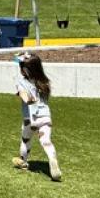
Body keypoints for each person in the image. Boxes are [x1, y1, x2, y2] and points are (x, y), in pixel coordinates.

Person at [11, 52, 62, 181]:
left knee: (26, 140)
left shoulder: (22, 82)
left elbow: (23, 94)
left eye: (21, 66)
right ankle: (52, 159)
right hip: (45, 117)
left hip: (30, 119)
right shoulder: (44, 82)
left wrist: (27, 99)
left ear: (26, 70)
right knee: (46, 141)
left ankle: (23, 161)